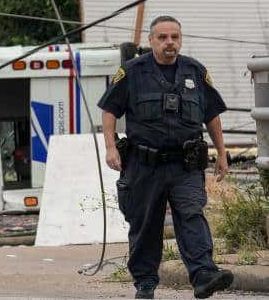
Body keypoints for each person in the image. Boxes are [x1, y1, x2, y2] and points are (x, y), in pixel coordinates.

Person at [99, 15, 232, 299]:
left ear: (180, 40)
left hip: (186, 165)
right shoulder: (132, 72)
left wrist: (222, 153)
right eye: (162, 37)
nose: (169, 42)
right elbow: (109, 110)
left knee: (192, 215)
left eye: (174, 37)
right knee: (146, 223)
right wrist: (110, 147)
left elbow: (212, 115)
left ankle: (203, 275)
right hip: (144, 165)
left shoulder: (195, 71)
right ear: (151, 41)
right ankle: (145, 283)